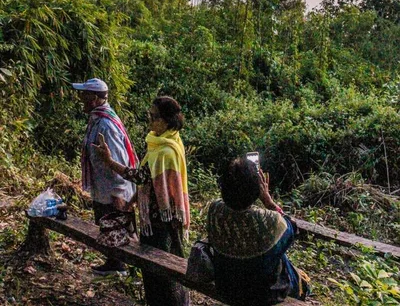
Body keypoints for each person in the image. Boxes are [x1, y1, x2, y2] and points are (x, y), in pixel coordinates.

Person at [94, 95, 190, 306]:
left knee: (160, 270)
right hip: (162, 219)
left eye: (154, 117)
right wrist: (133, 200)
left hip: (160, 223)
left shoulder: (165, 150)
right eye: (149, 116)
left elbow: (140, 177)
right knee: (162, 268)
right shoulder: (167, 141)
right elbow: (153, 182)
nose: (150, 121)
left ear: (166, 121)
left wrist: (110, 162)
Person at [207, 157, 310, 306]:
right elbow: (292, 229)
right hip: (263, 295)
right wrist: (268, 201)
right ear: (257, 189)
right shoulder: (270, 220)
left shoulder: (214, 209)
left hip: (225, 287)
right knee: (283, 259)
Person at [72, 77, 138, 276]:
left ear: (93, 97)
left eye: (84, 94)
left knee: (119, 229)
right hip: (103, 187)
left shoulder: (106, 125)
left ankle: (125, 268)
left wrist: (118, 193)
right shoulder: (98, 119)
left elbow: (119, 160)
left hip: (113, 190)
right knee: (107, 227)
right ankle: (114, 263)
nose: (80, 97)